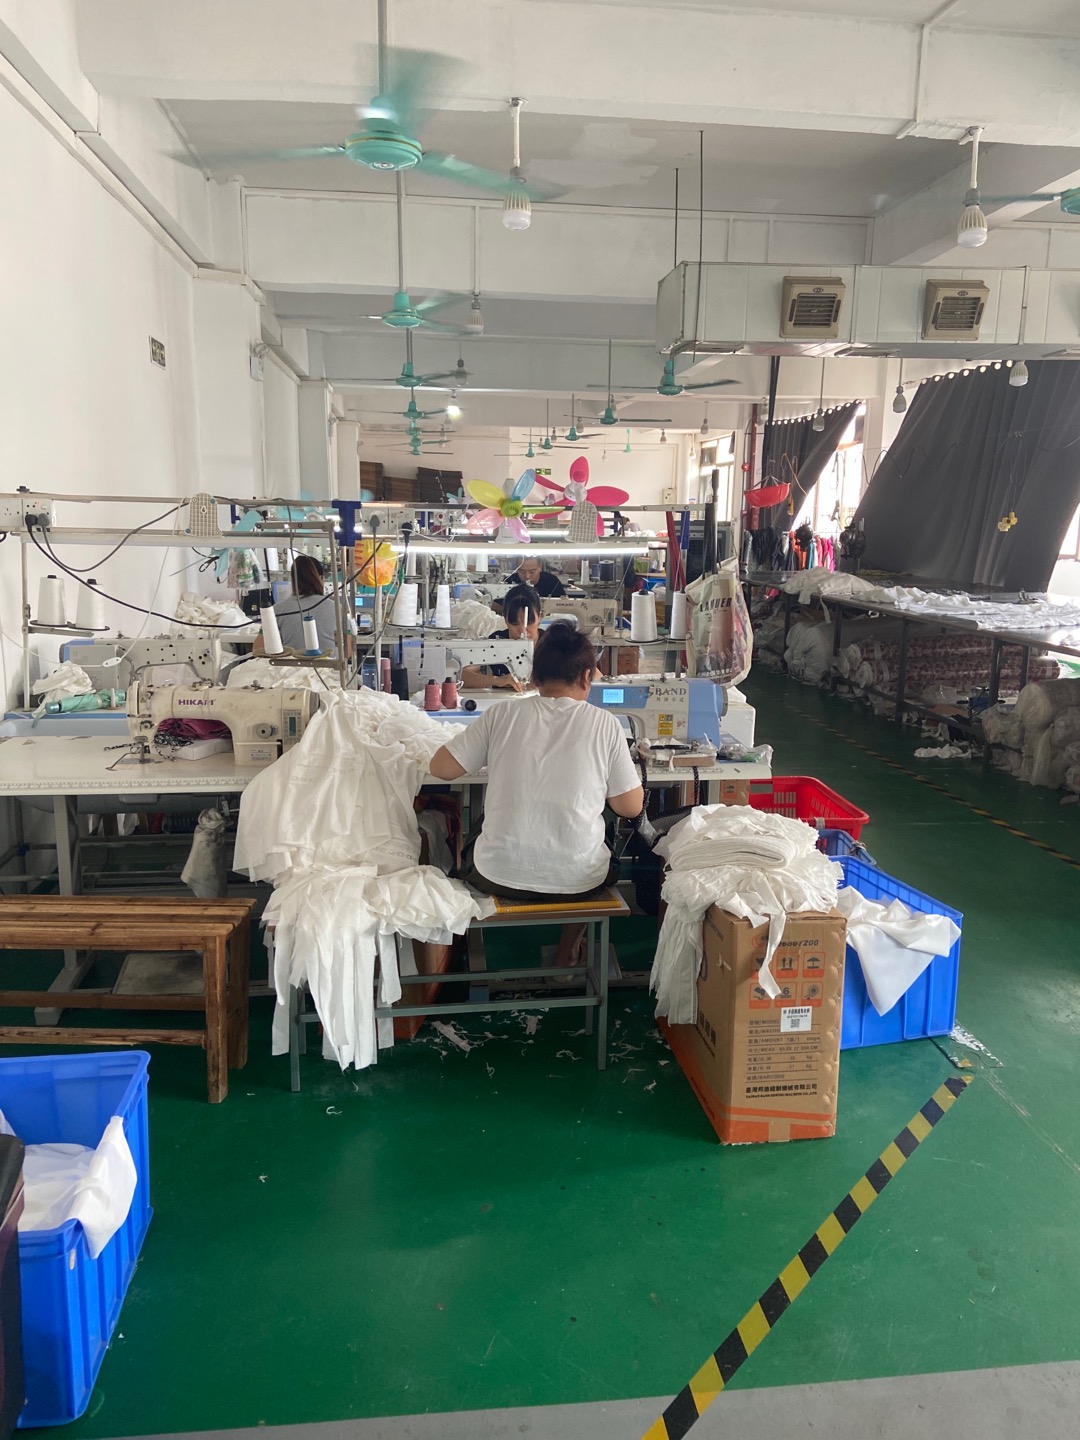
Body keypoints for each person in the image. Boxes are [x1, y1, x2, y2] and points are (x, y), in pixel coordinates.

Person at [428, 624, 644, 966]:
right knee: (600, 822)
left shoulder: (501, 715)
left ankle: (473, 951)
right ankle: (567, 952)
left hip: (495, 875)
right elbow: (629, 807)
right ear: (587, 676)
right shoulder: (605, 724)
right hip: (581, 881)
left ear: (533, 676)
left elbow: (441, 768)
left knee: (485, 820)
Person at [460, 584, 541, 692]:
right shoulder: (497, 640)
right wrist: (497, 680)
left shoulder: (551, 642)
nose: (522, 630)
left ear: (540, 617)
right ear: (505, 619)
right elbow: (461, 676)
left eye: (529, 623)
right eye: (514, 623)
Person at [272, 556, 341, 656]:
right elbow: (347, 651)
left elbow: (259, 647)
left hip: (291, 665)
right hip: (330, 664)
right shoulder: (336, 608)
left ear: (293, 580)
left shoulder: (277, 609)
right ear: (321, 578)